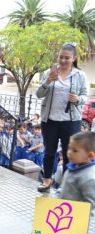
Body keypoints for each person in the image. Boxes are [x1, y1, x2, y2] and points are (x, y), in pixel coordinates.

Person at [35, 43, 88, 192]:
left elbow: (85, 95)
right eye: (61, 57)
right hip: (49, 120)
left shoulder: (79, 75)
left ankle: (66, 185)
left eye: (67, 58)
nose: (63, 60)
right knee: (49, 152)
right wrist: (48, 81)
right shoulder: (49, 73)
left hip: (70, 121)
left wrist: (78, 99)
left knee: (67, 153)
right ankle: (46, 180)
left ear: (74, 58)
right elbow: (39, 94)